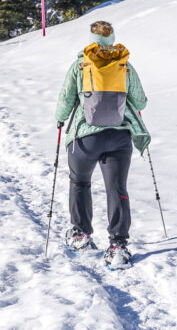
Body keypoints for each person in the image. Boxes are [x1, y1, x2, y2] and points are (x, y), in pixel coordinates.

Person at [54, 19, 150, 269]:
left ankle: (81, 236)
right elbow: (140, 102)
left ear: (91, 39)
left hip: (85, 138)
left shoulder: (81, 64)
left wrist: (60, 119)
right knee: (117, 188)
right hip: (119, 137)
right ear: (112, 37)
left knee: (80, 183)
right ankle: (118, 246)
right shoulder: (124, 65)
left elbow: (65, 99)